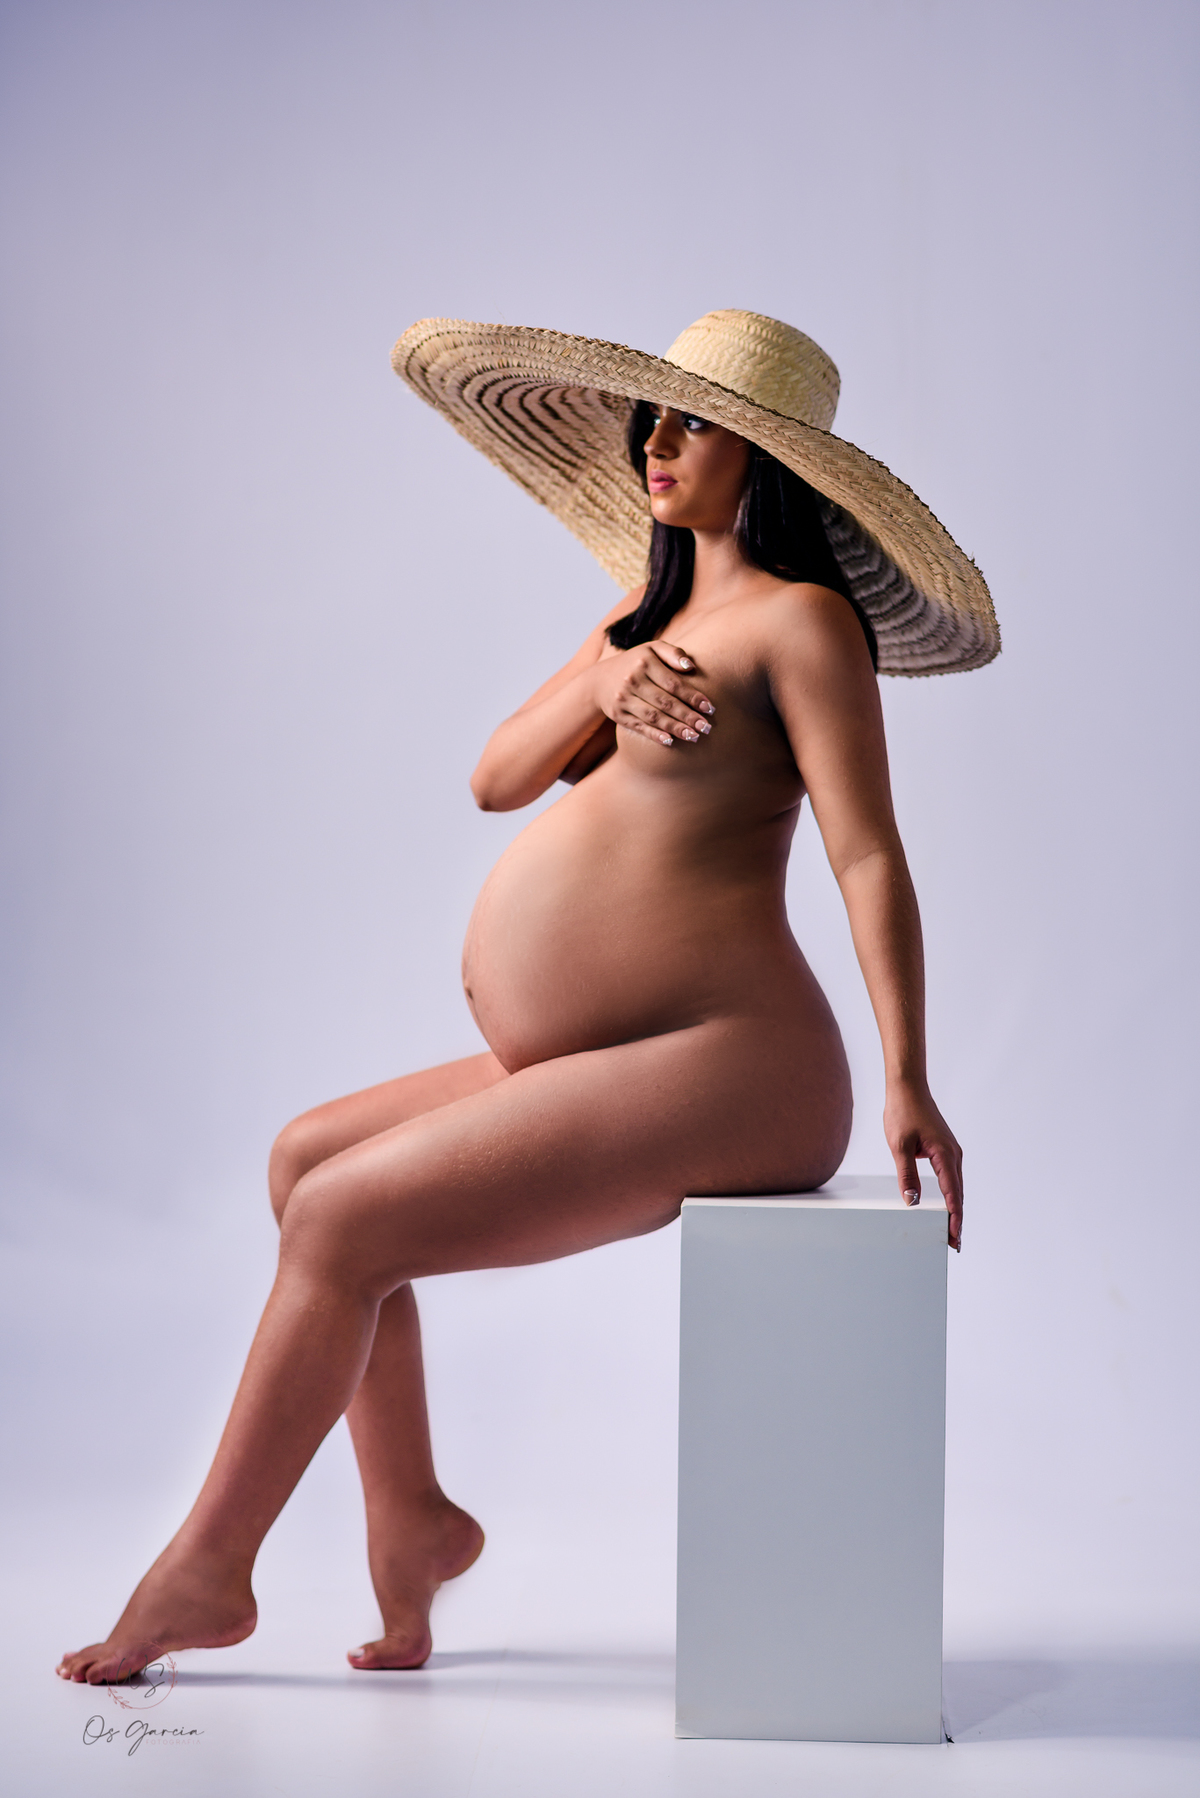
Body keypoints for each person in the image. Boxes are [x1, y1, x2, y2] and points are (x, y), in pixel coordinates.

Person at [58, 310, 997, 1685]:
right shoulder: (635, 619)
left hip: (736, 1064)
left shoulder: (803, 625)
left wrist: (909, 1073)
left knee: (340, 1219)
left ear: (767, 461)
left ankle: (208, 1568)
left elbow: (866, 852)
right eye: (653, 417)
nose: (658, 442)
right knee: (304, 1162)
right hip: (626, 1046)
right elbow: (497, 777)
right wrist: (605, 681)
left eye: (696, 423)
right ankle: (413, 1521)